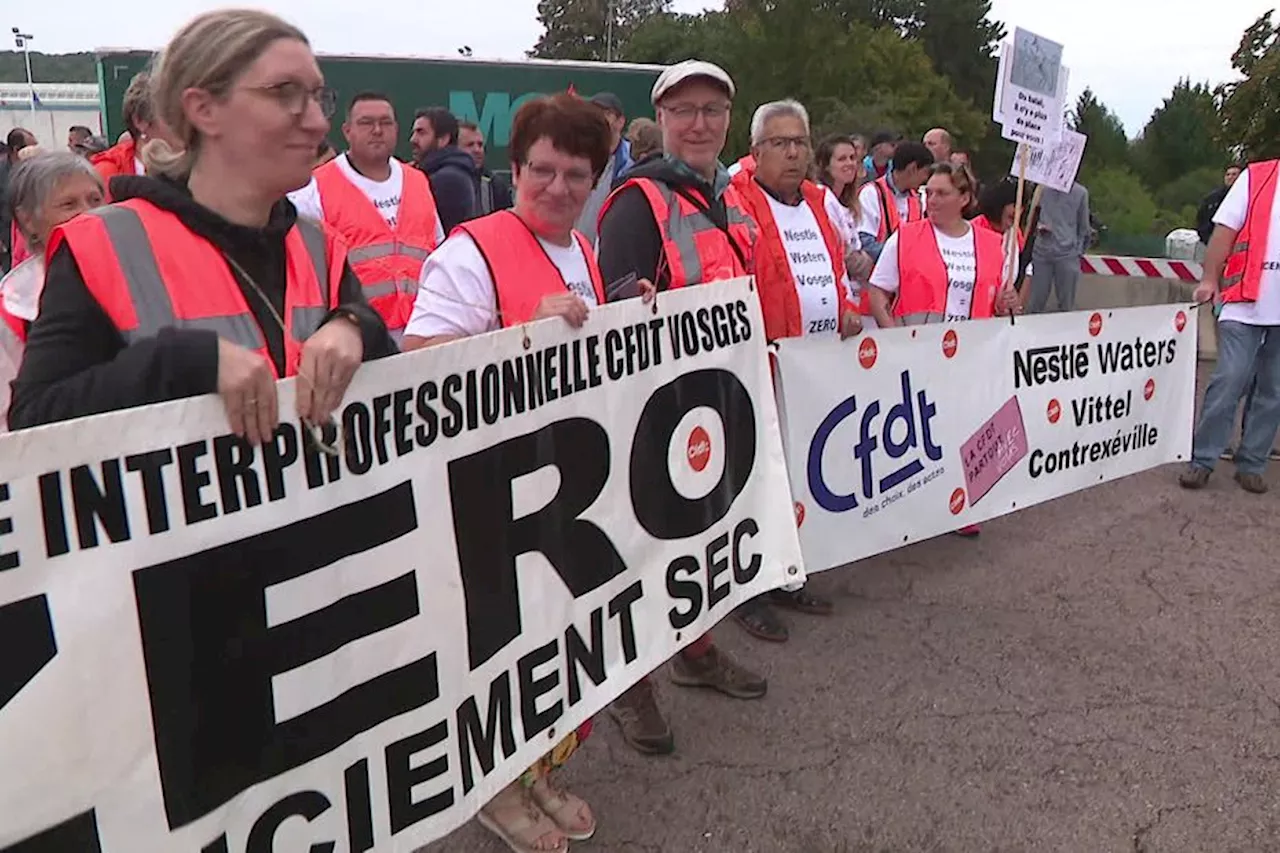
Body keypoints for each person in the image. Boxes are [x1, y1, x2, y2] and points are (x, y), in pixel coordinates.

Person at [402, 93, 628, 853]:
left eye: (576, 174)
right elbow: (419, 368)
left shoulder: (584, 249)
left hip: (556, 484)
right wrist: (517, 335)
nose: (558, 188)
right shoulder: (471, 250)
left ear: (596, 178)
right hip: (486, 493)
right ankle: (493, 787)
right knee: (495, 652)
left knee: (549, 644)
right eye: (542, 170)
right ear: (514, 167)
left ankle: (534, 768)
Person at [9, 8, 396, 435]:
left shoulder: (317, 245)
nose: (318, 122)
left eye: (319, 97)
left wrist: (355, 326)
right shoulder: (103, 245)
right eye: (285, 93)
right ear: (203, 109)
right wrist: (183, 362)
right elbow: (37, 419)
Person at [597, 58, 767, 757]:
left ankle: (693, 652)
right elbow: (615, 310)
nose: (699, 124)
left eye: (712, 111)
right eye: (684, 111)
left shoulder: (728, 198)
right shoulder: (639, 202)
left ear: (728, 120)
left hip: (715, 408)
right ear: (661, 120)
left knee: (697, 542)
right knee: (640, 554)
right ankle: (627, 686)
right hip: (652, 416)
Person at [729, 100, 858, 641]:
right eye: (779, 143)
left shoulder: (817, 203)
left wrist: (846, 307)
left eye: (800, 142)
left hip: (814, 371)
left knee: (798, 477)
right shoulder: (738, 201)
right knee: (756, 479)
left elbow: (831, 269)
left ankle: (786, 573)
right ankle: (748, 589)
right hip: (762, 368)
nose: (793, 152)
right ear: (756, 153)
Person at [289, 91, 444, 340]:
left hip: (420, 332)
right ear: (347, 131)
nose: (377, 130)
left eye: (385, 122)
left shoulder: (418, 181)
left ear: (396, 128)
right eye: (366, 123)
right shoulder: (315, 188)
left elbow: (438, 252)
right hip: (355, 336)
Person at [1179, 158, 1280, 495]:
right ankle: (1203, 458)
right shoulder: (1257, 177)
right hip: (1244, 302)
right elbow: (1224, 231)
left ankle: (1251, 463)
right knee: (1229, 379)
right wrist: (1209, 278)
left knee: (1272, 391)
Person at [0, 151, 105, 429]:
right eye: (69, 204)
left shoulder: (138, 279)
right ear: (29, 220)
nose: (89, 213)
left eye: (95, 200)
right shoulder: (12, 310)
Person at [90, 71, 179, 195]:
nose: (188, 125)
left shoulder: (198, 169)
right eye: (175, 116)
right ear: (140, 121)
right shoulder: (106, 175)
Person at [814, 133, 874, 313]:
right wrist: (865, 262)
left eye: (853, 158)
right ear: (825, 166)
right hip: (834, 298)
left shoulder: (849, 202)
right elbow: (840, 252)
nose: (850, 163)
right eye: (841, 159)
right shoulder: (822, 198)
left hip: (854, 295)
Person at [857, 139, 932, 262]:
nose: (926, 178)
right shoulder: (871, 193)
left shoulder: (919, 198)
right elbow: (865, 243)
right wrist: (904, 256)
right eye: (925, 172)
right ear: (912, 169)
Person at [574, 92, 632, 243]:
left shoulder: (632, 162)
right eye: (595, 113)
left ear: (621, 122)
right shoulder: (577, 158)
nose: (599, 118)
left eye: (606, 113)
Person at [410, 106, 479, 233]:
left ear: (443, 140)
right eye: (414, 132)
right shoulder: (429, 174)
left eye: (421, 132)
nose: (413, 139)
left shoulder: (449, 179)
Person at [1027, 181, 1091, 313]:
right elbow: (1034, 215)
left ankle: (1066, 330)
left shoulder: (1080, 193)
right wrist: (1039, 228)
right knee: (1036, 300)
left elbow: (1084, 227)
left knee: (1066, 303)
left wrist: (1077, 251)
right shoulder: (1044, 190)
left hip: (1067, 253)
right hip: (1042, 251)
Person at [1, 128, 37, 274]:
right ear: (16, 149)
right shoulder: (2, 172)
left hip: (29, 240)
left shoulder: (32, 170)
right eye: (31, 146)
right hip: (7, 241)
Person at [458, 119, 513, 215]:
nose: (477, 150)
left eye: (480, 145)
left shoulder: (495, 185)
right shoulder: (441, 181)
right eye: (470, 145)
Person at [1197, 164, 1243, 246]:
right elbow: (1202, 219)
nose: (1230, 177)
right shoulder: (1212, 199)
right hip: (1214, 243)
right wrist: (1207, 240)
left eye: (1234, 174)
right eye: (1228, 174)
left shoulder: (1248, 196)